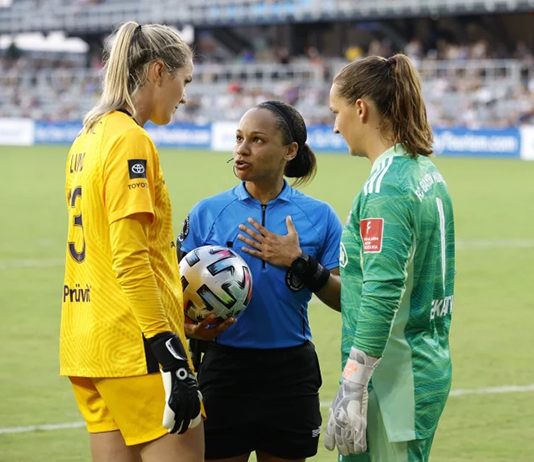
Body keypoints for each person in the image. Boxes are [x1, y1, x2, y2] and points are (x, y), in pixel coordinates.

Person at [60, 22, 204, 462]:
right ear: (159, 71)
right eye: (185, 81)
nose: (185, 96)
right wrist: (171, 350)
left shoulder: (87, 137)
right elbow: (130, 259)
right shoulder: (130, 140)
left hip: (86, 342)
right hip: (136, 348)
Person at [178, 100, 343, 462]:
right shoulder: (207, 212)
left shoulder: (319, 216)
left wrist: (299, 262)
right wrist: (190, 329)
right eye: (239, 138)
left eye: (256, 140)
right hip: (223, 369)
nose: (242, 148)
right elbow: (173, 290)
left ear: (290, 151)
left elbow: (345, 299)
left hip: (290, 372)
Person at [325, 54, 455, 462]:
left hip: (393, 380)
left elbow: (383, 290)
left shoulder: (387, 188)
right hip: (423, 362)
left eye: (337, 112)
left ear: (360, 109)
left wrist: (354, 384)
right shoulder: (423, 172)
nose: (334, 125)